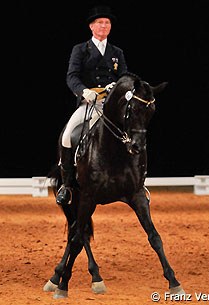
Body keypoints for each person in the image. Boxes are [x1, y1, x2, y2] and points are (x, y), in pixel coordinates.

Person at [56, 5, 128, 205]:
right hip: (89, 102)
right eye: (100, 23)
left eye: (107, 23)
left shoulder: (117, 52)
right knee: (68, 135)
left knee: (133, 131)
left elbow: (124, 76)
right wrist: (83, 91)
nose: (104, 26)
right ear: (91, 27)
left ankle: (136, 179)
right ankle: (67, 185)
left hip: (111, 104)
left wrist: (119, 86)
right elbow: (72, 77)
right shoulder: (80, 49)